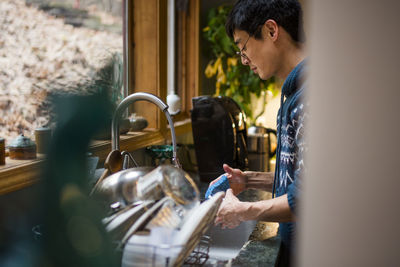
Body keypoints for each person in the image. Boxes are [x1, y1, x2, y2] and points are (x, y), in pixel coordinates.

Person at [208, 0, 307, 266]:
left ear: (271, 31)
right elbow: (298, 177)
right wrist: (249, 179)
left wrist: (242, 210)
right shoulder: (294, 92)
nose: (243, 59)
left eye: (243, 46)